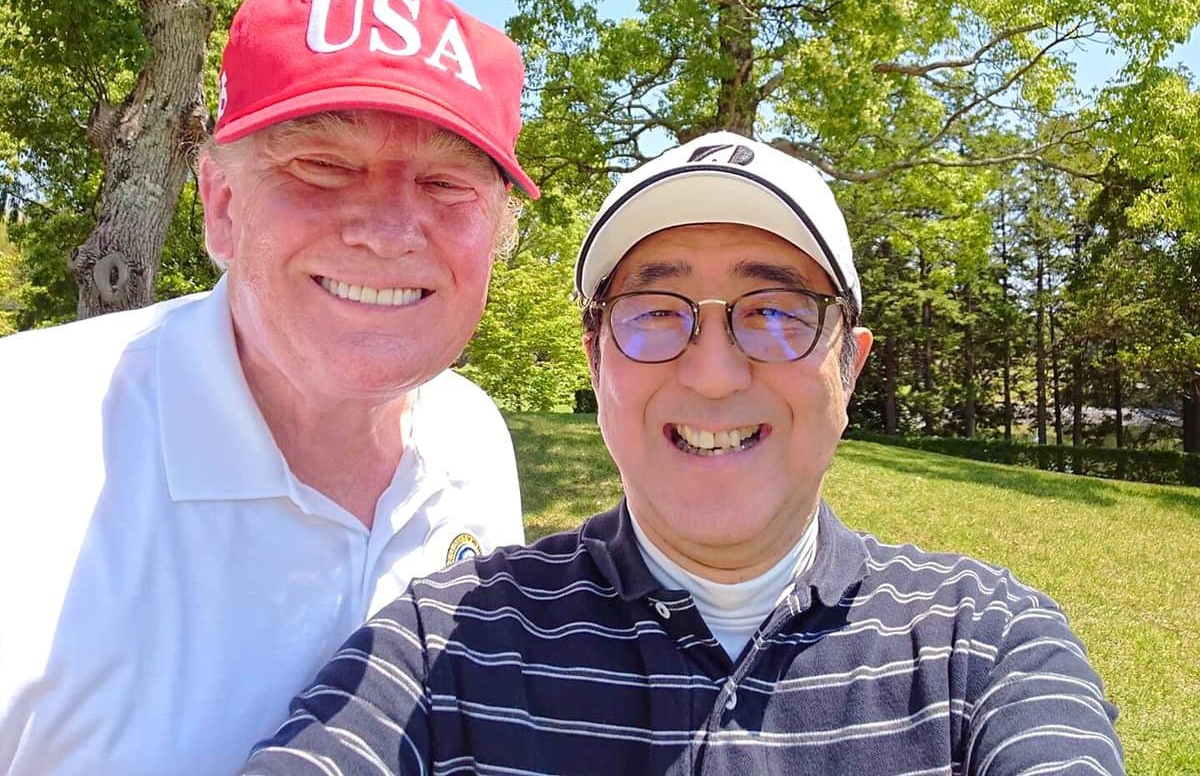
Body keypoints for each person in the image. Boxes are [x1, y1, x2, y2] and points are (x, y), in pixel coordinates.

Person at [242, 132, 1124, 775]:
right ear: (597, 364)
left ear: (847, 369)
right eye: (655, 314)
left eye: (776, 312)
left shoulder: (986, 649)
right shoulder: (445, 648)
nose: (711, 374)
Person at [0, 0, 541, 774]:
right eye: (323, 167)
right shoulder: (25, 436)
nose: (391, 230)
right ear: (220, 204)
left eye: (445, 183)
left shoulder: (473, 438)